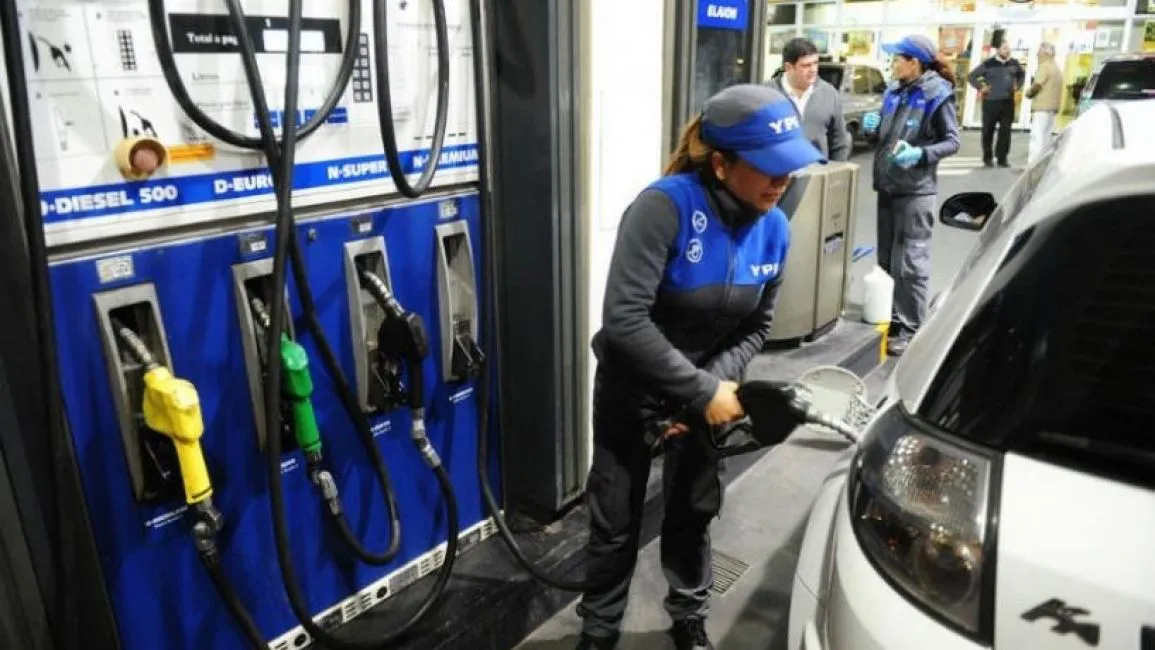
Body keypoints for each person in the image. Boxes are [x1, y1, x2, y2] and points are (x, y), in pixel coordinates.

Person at [576, 85, 825, 650]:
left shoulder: (775, 228)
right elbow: (624, 320)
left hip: (706, 393)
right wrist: (702, 388)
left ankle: (688, 618)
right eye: (768, 169)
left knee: (692, 514)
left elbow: (756, 326)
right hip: (632, 390)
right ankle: (598, 633)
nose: (781, 181)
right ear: (720, 163)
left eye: (788, 169)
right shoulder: (664, 208)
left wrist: (709, 390)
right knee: (614, 526)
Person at [862, 34, 960, 357]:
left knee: (911, 262)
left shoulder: (937, 94)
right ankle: (891, 317)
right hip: (888, 186)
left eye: (897, 59)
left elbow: (952, 141)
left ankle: (912, 327)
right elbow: (884, 134)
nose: (892, 64)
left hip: (916, 191)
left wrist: (920, 155)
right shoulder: (893, 91)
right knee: (887, 259)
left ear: (914, 62)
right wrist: (872, 128)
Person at [770, 37, 850, 161]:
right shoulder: (767, 94)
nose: (813, 70)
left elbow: (839, 144)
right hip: (776, 175)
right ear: (789, 67)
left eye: (815, 63)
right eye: (806, 65)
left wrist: (834, 174)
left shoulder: (829, 94)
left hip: (816, 175)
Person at [967, 39, 1025, 167]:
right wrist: (982, 87)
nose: (1007, 50)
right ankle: (987, 157)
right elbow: (971, 76)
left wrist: (1018, 85)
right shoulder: (988, 63)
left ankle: (1002, 158)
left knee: (1005, 131)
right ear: (998, 50)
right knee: (988, 130)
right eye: (1004, 48)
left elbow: (1022, 74)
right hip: (991, 102)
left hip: (1008, 102)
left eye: (1008, 48)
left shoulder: (1014, 63)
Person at [1024, 42, 1062, 166]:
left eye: (1039, 52)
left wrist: (1028, 93)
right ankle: (1044, 164)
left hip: (1042, 107)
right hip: (1052, 107)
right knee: (1046, 137)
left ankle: (1032, 165)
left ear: (1046, 53)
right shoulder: (1056, 67)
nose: (1037, 54)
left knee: (1037, 137)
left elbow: (1037, 85)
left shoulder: (1044, 67)